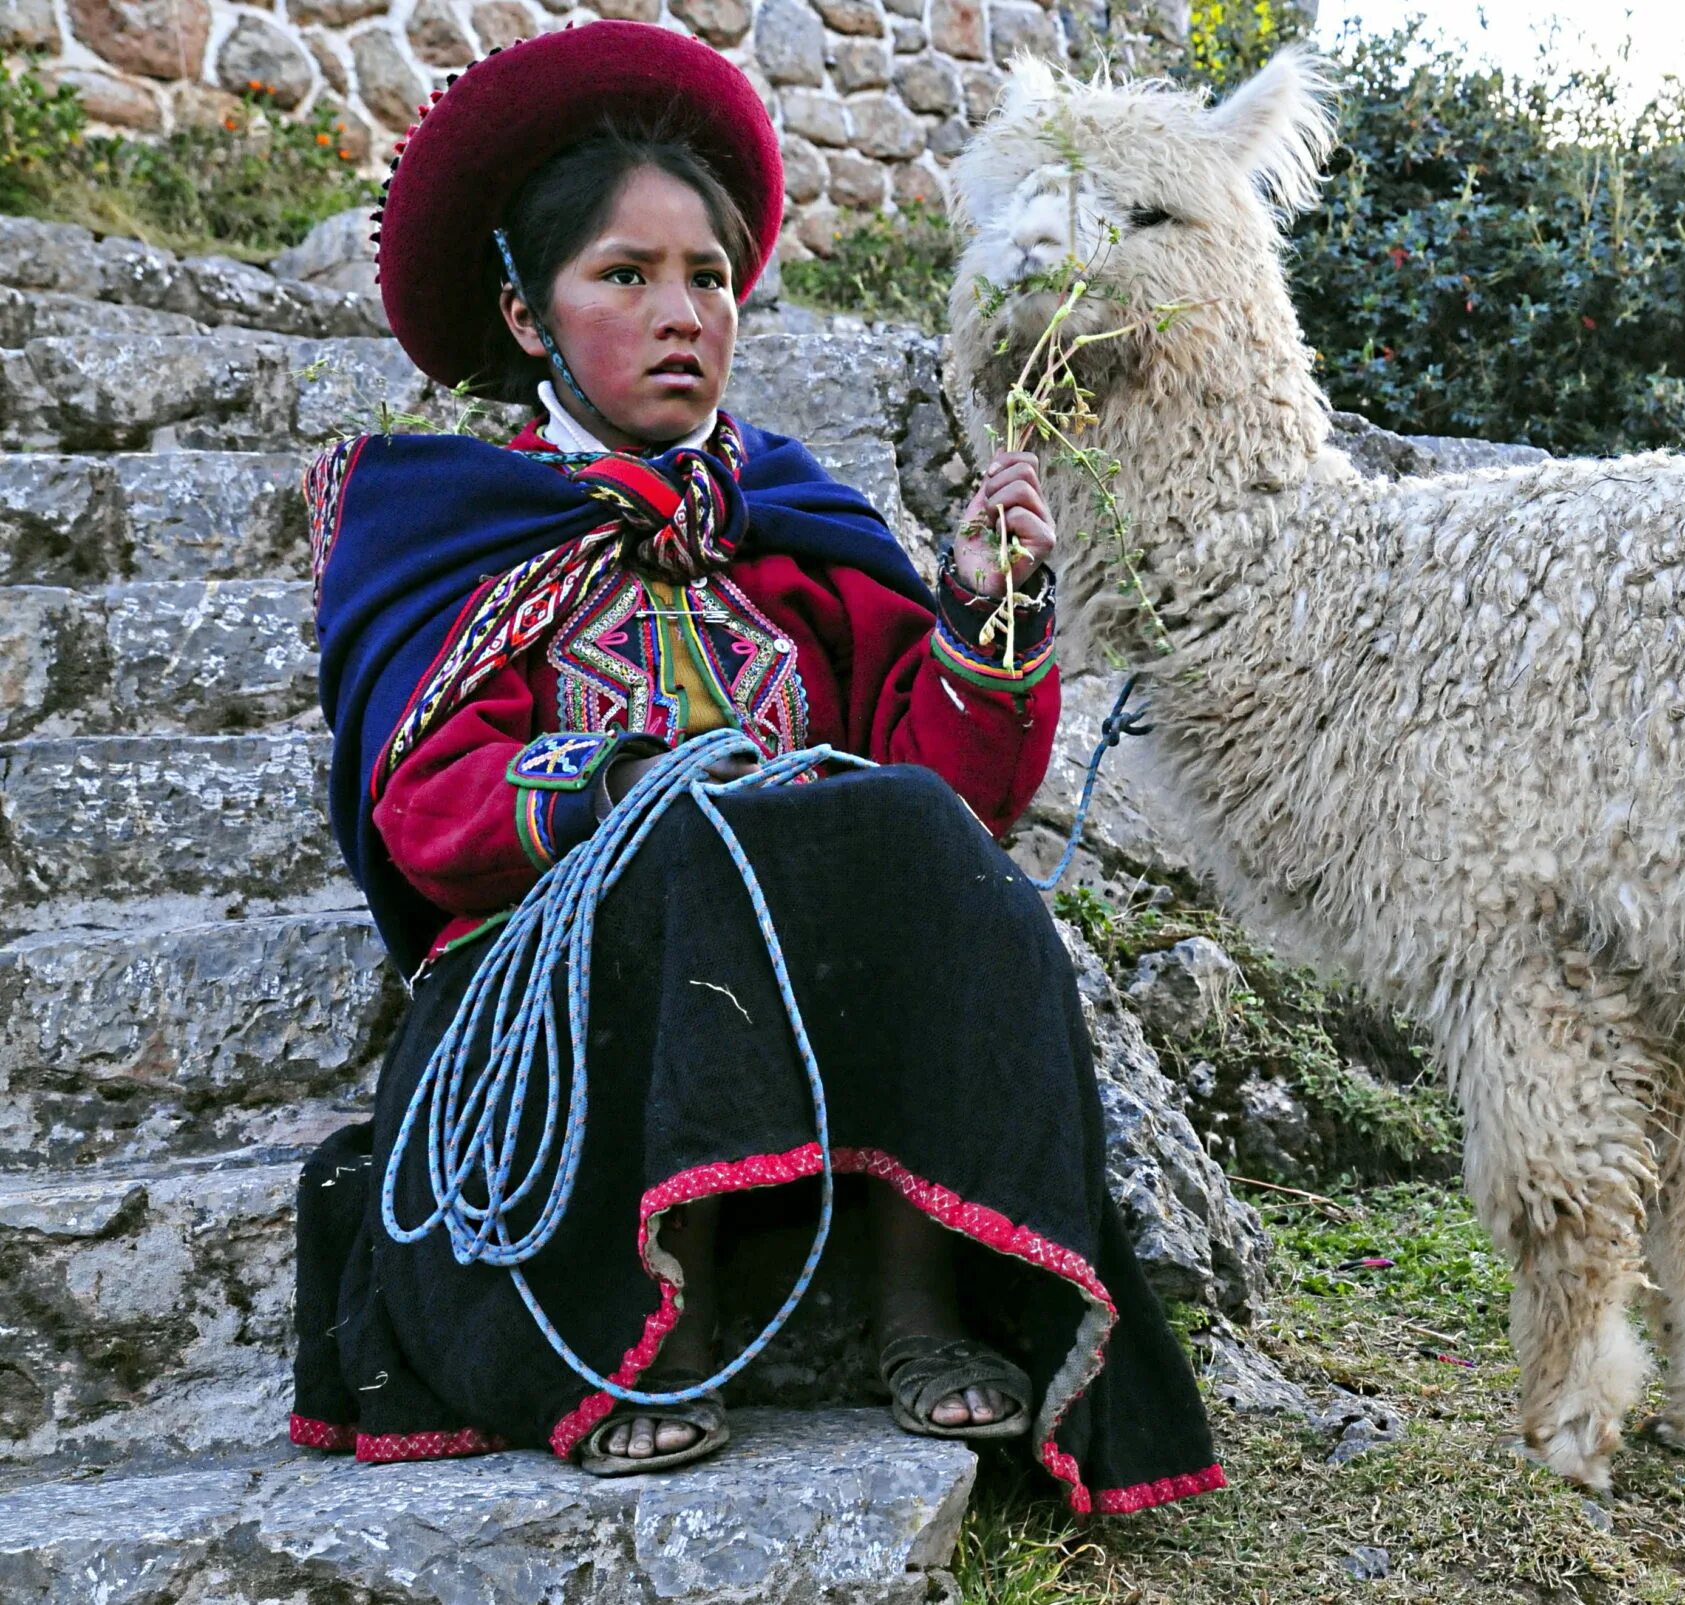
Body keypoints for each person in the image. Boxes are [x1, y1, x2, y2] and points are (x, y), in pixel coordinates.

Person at [287, 21, 1221, 1511]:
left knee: (907, 822)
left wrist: (981, 609)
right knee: (685, 838)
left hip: (810, 1011)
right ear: (528, 316)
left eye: (709, 278)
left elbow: (952, 779)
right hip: (572, 1006)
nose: (682, 315)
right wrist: (621, 789)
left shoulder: (797, 531)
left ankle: (926, 1295)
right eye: (625, 277)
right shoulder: (452, 526)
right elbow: (426, 811)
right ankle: (654, 1312)